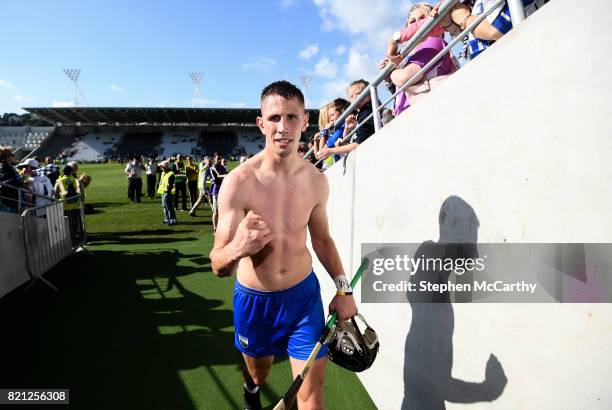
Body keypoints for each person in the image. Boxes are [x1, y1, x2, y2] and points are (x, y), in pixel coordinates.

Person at [209, 80, 357, 410]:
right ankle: (251, 389)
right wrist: (238, 248)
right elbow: (218, 263)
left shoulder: (316, 181)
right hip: (254, 302)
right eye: (275, 118)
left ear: (305, 121)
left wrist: (344, 290)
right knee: (259, 377)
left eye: (292, 117)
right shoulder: (238, 183)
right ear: (261, 123)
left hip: (303, 300)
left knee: (310, 400)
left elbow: (322, 240)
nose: (283, 127)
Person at [380, 2, 457, 116]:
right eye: (412, 21)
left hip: (428, 113)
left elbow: (403, 79)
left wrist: (391, 69)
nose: (417, 24)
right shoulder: (408, 58)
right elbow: (402, 92)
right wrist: (389, 78)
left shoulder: (434, 42)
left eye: (422, 18)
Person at [315, 79, 376, 162]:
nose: (355, 98)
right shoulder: (360, 114)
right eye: (351, 96)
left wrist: (324, 134)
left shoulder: (367, 112)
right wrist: (347, 130)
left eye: (358, 94)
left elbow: (359, 143)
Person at [0, 146, 23, 213]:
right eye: (12, 155)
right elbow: (13, 181)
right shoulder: (5, 167)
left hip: (8, 199)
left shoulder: (5, 166)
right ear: (8, 157)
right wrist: (22, 181)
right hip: (9, 201)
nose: (13, 156)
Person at [209, 154, 228, 231]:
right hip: (216, 191)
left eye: (220, 159)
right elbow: (217, 177)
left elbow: (227, 175)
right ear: (214, 159)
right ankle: (215, 228)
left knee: (224, 210)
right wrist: (224, 176)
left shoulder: (223, 167)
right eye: (218, 159)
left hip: (224, 190)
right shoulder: (212, 168)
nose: (219, 160)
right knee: (216, 211)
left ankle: (222, 227)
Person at [157, 161, 177, 225]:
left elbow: (171, 184)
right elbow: (158, 167)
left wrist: (168, 192)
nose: (161, 168)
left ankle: (172, 220)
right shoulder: (163, 172)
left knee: (169, 207)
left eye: (163, 166)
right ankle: (167, 219)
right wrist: (161, 165)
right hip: (163, 192)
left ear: (166, 166)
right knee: (165, 207)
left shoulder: (171, 173)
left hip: (168, 193)